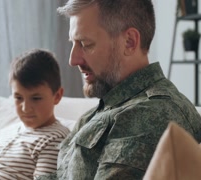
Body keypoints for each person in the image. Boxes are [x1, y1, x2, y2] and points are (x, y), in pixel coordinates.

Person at [38, 0, 201, 179]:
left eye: (85, 44)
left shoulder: (149, 114)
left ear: (129, 42)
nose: (73, 59)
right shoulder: (101, 111)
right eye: (73, 43)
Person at [0, 49, 70, 180]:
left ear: (57, 96)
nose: (26, 108)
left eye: (36, 98)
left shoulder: (55, 139)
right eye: (18, 98)